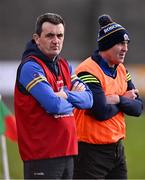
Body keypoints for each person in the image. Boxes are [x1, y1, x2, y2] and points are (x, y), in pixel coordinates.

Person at [14, 13, 93, 179]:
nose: (56, 40)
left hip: (68, 151)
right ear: (37, 38)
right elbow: (53, 105)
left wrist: (64, 94)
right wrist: (72, 98)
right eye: (50, 35)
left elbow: (89, 99)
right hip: (42, 156)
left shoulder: (65, 65)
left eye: (60, 35)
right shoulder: (30, 67)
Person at [73, 14, 143, 179]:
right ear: (107, 45)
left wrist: (117, 99)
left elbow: (138, 108)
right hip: (89, 153)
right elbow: (100, 111)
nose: (125, 48)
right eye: (120, 43)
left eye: (126, 43)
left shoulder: (121, 69)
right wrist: (124, 100)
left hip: (117, 151)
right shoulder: (87, 70)